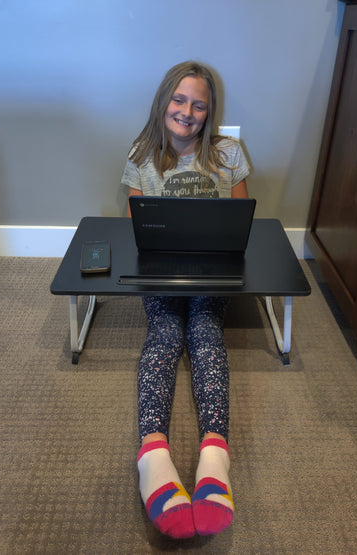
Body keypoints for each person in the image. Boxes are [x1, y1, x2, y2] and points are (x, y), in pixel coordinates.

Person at [121, 61, 250, 539]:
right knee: (165, 333)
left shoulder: (229, 152)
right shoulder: (141, 153)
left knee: (204, 331)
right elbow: (137, 220)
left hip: (213, 270)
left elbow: (242, 219)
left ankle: (215, 457)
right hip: (160, 270)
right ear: (163, 102)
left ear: (209, 112)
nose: (187, 111)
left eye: (198, 104)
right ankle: (153, 457)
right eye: (179, 100)